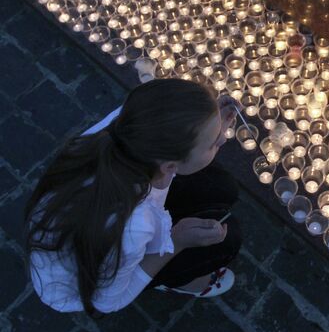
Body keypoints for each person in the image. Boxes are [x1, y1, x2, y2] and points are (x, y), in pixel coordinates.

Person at [24, 78, 243, 315]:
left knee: (224, 187)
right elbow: (105, 302)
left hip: (108, 224)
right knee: (228, 239)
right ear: (170, 166)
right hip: (88, 277)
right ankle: (176, 281)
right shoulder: (135, 225)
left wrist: (206, 120)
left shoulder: (127, 127)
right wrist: (178, 241)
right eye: (214, 144)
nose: (222, 140)